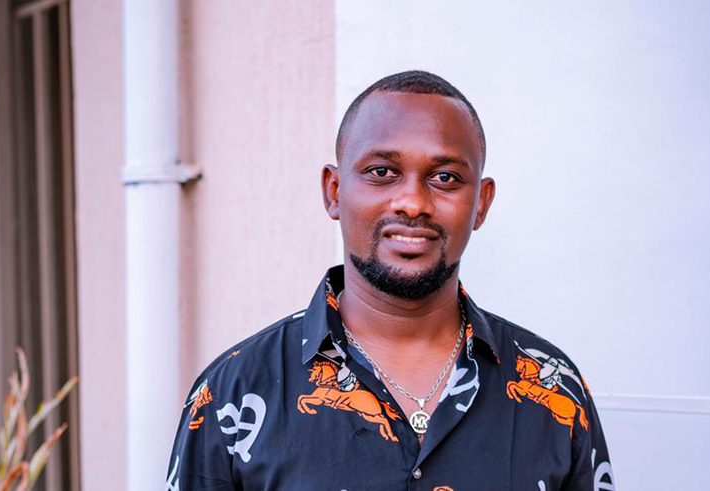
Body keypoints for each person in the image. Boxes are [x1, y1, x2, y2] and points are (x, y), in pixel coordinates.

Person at [166, 70, 613, 491]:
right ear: (334, 191)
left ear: (481, 202)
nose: (412, 202)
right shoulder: (232, 391)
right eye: (382, 172)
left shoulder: (552, 387)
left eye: (445, 177)